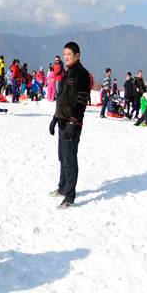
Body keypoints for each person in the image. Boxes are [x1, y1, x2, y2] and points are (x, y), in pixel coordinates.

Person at [48, 42, 88, 208]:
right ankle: (63, 187)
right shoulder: (67, 73)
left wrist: (73, 122)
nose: (66, 57)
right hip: (62, 121)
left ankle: (70, 196)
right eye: (64, 54)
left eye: (69, 54)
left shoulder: (81, 74)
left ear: (77, 55)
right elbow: (62, 99)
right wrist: (55, 118)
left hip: (72, 124)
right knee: (62, 157)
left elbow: (81, 101)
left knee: (69, 158)